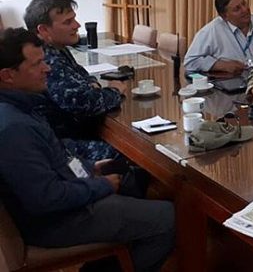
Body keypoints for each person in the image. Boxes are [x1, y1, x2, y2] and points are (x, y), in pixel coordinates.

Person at [0, 28, 174, 271]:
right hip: (53, 222)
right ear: (8, 75)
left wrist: (89, 168)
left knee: (133, 183)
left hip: (62, 199)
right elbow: (46, 198)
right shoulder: (13, 128)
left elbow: (58, 155)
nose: (47, 69)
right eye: (37, 64)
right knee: (167, 217)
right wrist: (101, 185)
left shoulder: (23, 107)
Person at [24, 0, 124, 160]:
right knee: (130, 156)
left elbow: (82, 73)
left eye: (74, 19)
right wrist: (114, 91)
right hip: (62, 144)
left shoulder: (56, 48)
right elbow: (82, 103)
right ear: (43, 30)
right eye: (68, 22)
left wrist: (92, 85)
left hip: (76, 131)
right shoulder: (45, 59)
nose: (77, 25)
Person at [184, 0, 253, 75]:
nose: (245, 10)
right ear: (224, 16)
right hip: (234, 86)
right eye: (237, 9)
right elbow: (190, 61)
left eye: (244, 3)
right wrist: (220, 65)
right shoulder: (212, 31)